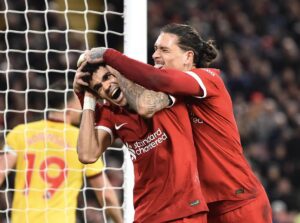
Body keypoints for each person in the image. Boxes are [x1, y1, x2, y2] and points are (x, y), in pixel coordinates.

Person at [82, 23, 273, 223]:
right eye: (155, 48)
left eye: (164, 49)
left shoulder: (208, 80)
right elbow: (141, 103)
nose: (155, 55)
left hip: (239, 201)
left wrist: (110, 56)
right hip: (204, 209)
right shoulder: (171, 94)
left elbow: (151, 92)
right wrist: (86, 92)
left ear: (188, 57)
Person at [74, 58, 209, 223]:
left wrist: (114, 62)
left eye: (107, 76)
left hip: (184, 211)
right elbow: (87, 155)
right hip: (146, 214)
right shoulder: (112, 113)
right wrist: (87, 97)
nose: (106, 87)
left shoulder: (158, 87)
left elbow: (144, 108)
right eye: (98, 88)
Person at [0, 80, 123, 223]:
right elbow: (105, 194)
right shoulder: (82, 140)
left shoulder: (21, 132)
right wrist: (120, 220)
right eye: (80, 102)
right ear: (70, 105)